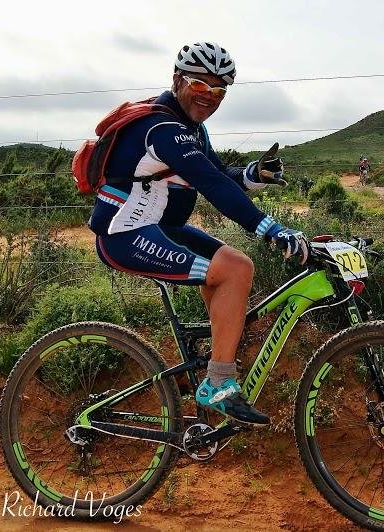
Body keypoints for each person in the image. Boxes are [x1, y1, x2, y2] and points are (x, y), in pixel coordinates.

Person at [88, 42, 308, 426]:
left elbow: (219, 175)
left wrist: (253, 176)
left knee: (237, 266)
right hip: (124, 233)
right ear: (177, 80)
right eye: (199, 85)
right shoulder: (161, 127)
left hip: (162, 228)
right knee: (227, 273)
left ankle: (216, 357)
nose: (209, 97)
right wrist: (270, 228)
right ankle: (219, 383)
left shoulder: (193, 130)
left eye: (219, 90)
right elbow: (211, 185)